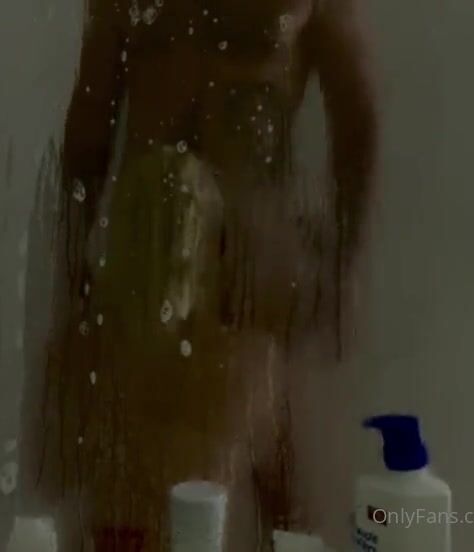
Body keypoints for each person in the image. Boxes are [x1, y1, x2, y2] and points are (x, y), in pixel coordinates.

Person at [25, 0, 376, 549]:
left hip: (252, 267)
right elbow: (89, 127)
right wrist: (72, 277)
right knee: (122, 489)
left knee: (285, 501)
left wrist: (343, 266)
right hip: (145, 256)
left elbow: (355, 115)